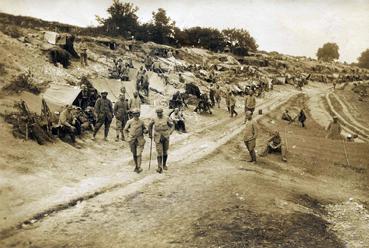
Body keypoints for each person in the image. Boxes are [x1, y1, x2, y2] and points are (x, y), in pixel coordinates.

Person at [148, 108, 175, 173]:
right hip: (158, 137)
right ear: (156, 113)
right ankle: (159, 167)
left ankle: (164, 165)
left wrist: (170, 132)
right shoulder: (154, 119)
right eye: (158, 113)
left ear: (162, 112)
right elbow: (150, 126)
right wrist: (150, 134)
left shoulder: (166, 118)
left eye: (160, 112)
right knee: (159, 152)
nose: (159, 114)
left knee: (165, 151)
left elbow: (172, 125)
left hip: (165, 137)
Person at [124, 108, 147, 173]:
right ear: (133, 114)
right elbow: (125, 130)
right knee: (134, 154)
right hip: (132, 139)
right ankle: (136, 166)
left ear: (139, 114)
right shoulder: (129, 122)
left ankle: (139, 167)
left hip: (140, 139)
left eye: (138, 113)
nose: (136, 115)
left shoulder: (142, 121)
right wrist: (127, 138)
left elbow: (144, 129)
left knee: (138, 154)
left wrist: (146, 131)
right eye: (135, 114)